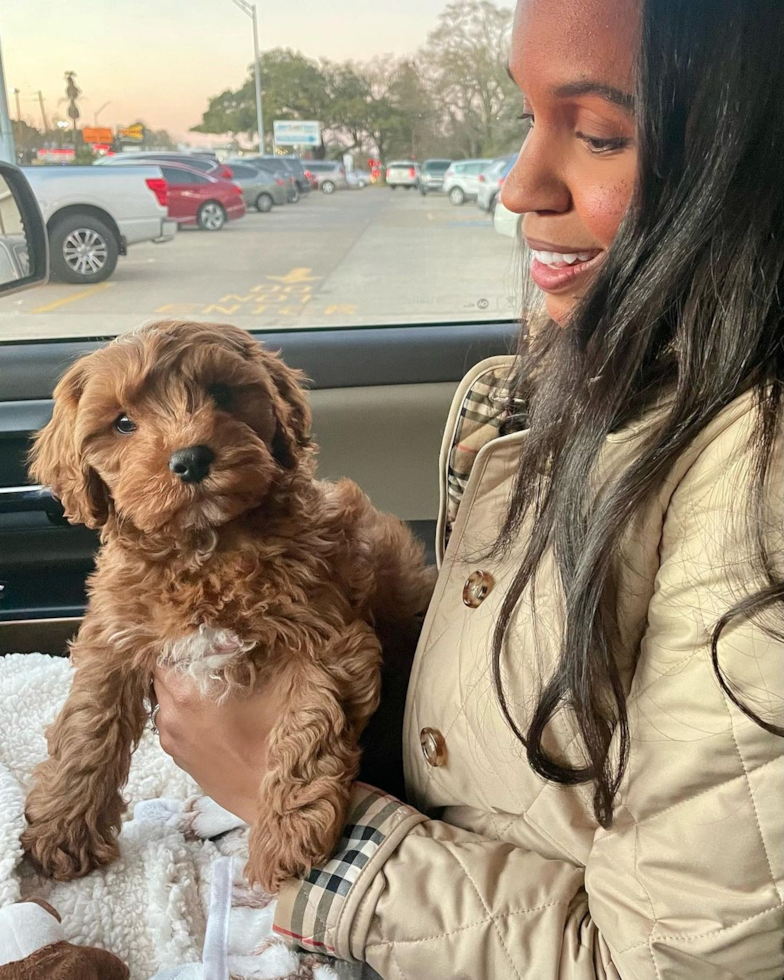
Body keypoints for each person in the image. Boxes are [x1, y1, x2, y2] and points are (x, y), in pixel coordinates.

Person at [152, 0, 784, 975]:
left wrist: (306, 814)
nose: (518, 184)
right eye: (525, 117)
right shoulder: (570, 374)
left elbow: (667, 962)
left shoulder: (755, 485)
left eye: (600, 134)